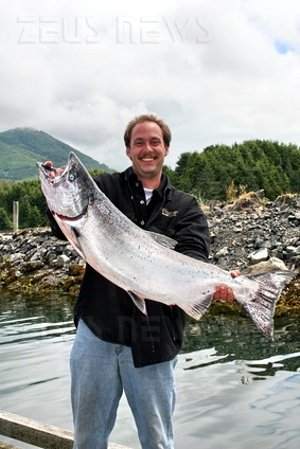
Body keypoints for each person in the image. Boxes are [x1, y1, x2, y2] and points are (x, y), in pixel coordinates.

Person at [46, 114, 237, 449]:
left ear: (165, 149)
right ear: (128, 150)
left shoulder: (186, 207)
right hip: (98, 331)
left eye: (154, 142)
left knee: (157, 441)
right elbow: (60, 224)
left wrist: (216, 284)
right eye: (139, 143)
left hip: (155, 337)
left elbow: (194, 260)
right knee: (87, 439)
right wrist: (56, 187)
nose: (147, 149)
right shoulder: (102, 190)